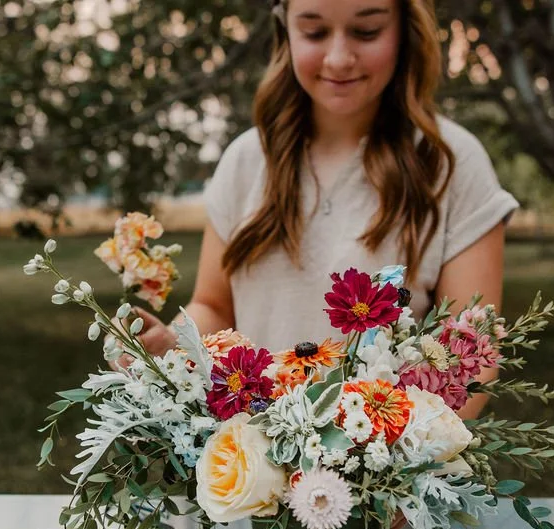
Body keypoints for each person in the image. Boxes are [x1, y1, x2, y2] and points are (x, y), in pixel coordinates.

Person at [129, 0, 517, 423]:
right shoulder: (245, 160)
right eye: (314, 33)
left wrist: (375, 452)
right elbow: (215, 306)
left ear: (404, 29)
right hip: (248, 462)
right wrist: (173, 346)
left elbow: (470, 359)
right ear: (286, 30)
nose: (338, 58)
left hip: (392, 472)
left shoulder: (452, 164)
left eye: (366, 32)